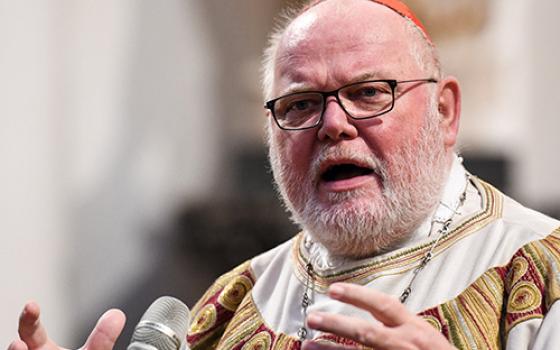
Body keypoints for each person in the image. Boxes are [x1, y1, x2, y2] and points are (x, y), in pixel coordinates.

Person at [8, 0, 560, 349]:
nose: (333, 125)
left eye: (369, 92)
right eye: (299, 104)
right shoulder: (233, 304)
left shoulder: (542, 273)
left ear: (444, 112)